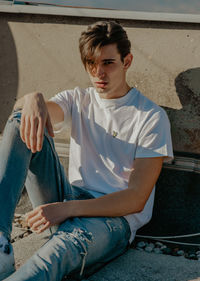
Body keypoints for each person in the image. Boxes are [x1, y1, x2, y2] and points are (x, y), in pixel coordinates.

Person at [0, 21, 173, 281]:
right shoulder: (78, 99)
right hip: (68, 198)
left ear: (127, 61)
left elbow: (136, 199)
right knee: (20, 119)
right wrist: (33, 98)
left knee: (57, 253)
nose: (98, 73)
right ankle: (0, 242)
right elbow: (33, 113)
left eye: (108, 63)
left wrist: (66, 210)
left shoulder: (150, 117)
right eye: (91, 64)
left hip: (112, 221)